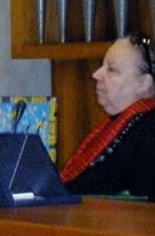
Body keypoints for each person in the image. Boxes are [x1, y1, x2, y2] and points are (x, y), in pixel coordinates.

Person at [61, 32, 155, 201]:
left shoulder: (148, 133)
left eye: (111, 70)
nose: (96, 74)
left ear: (143, 84)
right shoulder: (118, 124)